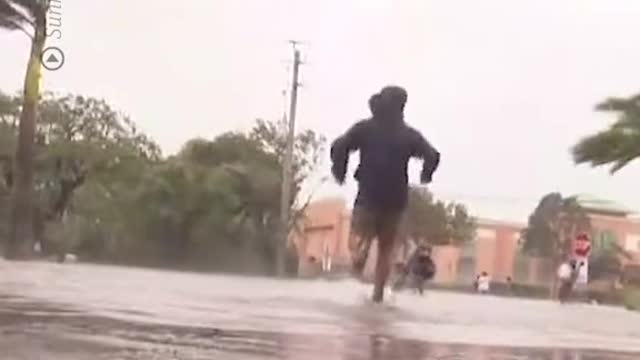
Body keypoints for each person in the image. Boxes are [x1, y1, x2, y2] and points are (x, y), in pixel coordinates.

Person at [330, 86, 441, 303]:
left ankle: (361, 251)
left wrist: (339, 170)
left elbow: (340, 146)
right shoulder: (410, 135)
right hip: (395, 199)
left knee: (359, 236)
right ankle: (378, 296)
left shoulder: (365, 129)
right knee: (386, 249)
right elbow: (432, 155)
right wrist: (426, 174)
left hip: (368, 196)